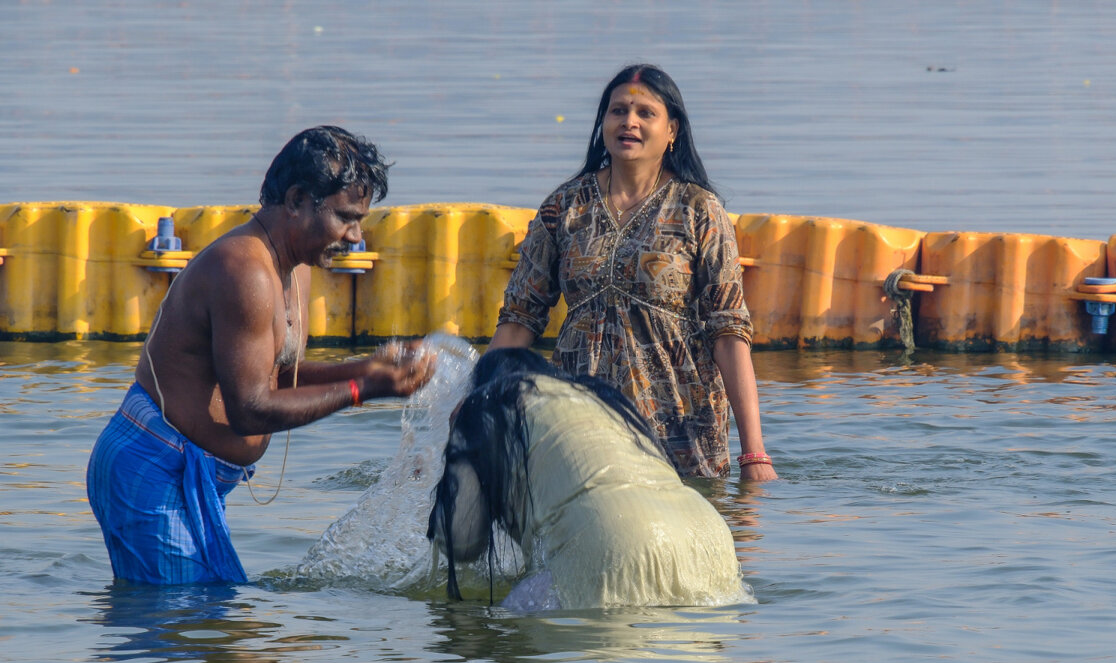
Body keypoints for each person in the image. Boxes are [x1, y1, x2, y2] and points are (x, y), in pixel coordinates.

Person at [87, 125, 435, 585]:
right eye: (346, 217)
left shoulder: (295, 266)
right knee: (183, 629)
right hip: (156, 465)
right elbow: (250, 409)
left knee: (202, 631)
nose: (354, 236)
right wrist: (364, 388)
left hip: (192, 474)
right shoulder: (243, 270)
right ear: (295, 200)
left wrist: (369, 367)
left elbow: (276, 372)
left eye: (361, 221)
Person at [490, 64, 776, 481]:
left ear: (672, 129)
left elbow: (729, 333)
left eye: (646, 113)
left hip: (679, 426)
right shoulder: (565, 207)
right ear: (603, 122)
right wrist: (471, 405)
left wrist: (755, 454)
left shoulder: (699, 211)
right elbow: (518, 321)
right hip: (581, 421)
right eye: (618, 110)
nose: (630, 122)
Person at [427, 348, 750, 611]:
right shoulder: (601, 399)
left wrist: (458, 439)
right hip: (710, 541)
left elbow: (462, 541)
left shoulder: (483, 407)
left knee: (499, 629)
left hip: (619, 541)